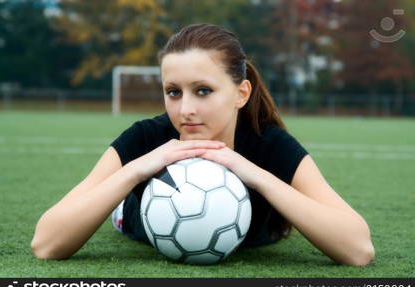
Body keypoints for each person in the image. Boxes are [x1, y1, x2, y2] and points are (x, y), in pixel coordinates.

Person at [31, 24, 375, 266]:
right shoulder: (146, 138)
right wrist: (135, 171)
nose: (186, 110)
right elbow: (46, 243)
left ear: (241, 93)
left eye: (203, 91)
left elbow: (359, 249)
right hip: (131, 220)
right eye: (173, 92)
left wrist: (255, 175)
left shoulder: (268, 144)